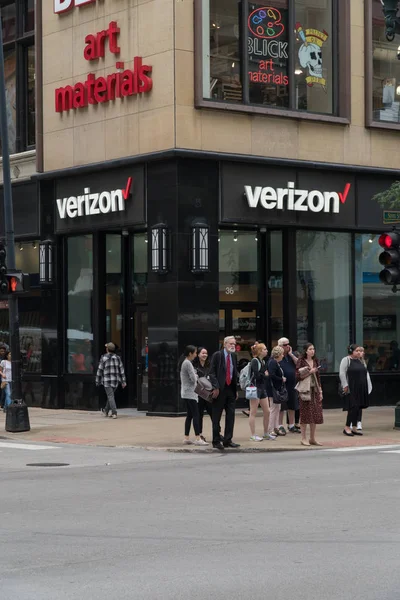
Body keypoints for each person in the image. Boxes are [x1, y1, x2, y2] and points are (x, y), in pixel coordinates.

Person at [209, 336, 240, 450]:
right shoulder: (218, 355)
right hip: (220, 389)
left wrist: (235, 390)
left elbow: (234, 372)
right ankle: (216, 440)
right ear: (225, 344)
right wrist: (215, 387)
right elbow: (212, 372)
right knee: (216, 416)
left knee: (231, 415)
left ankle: (228, 439)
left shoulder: (234, 356)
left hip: (230, 389)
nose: (233, 346)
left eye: (234, 344)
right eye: (231, 343)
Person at [340, 344, 372, 437]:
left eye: (360, 351)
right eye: (356, 351)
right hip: (352, 387)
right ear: (351, 351)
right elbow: (342, 373)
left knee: (358, 407)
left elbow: (366, 373)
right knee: (352, 407)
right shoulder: (346, 360)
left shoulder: (361, 361)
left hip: (361, 387)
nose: (359, 352)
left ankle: (354, 427)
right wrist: (345, 385)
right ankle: (347, 427)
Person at [295, 343, 324, 447]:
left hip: (314, 389)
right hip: (305, 390)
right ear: (306, 351)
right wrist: (309, 372)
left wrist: (320, 391)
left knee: (315, 414)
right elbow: (297, 376)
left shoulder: (315, 361)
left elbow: (318, 376)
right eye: (310, 349)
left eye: (313, 349)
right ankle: (303, 438)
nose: (312, 351)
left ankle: (312, 438)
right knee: (305, 415)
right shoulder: (301, 361)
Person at [180, 345, 208, 446]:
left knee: (190, 415)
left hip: (186, 392)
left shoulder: (186, 362)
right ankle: (197, 437)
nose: (196, 355)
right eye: (195, 353)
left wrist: (195, 375)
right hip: (190, 393)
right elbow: (193, 378)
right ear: (190, 353)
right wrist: (196, 375)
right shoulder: (188, 363)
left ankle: (186, 437)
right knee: (196, 415)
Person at [248, 342, 276, 441]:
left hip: (262, 388)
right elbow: (257, 375)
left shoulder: (263, 362)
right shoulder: (255, 361)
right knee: (253, 412)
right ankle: (253, 434)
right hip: (254, 388)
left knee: (267, 411)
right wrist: (265, 375)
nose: (266, 351)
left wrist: (264, 375)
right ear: (260, 351)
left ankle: (266, 433)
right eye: (264, 349)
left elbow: (262, 375)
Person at [96, 342, 126, 419]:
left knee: (110, 396)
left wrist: (97, 380)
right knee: (111, 396)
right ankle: (106, 411)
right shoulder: (118, 358)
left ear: (107, 349)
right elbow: (121, 370)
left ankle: (114, 412)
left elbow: (100, 370)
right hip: (116, 381)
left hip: (107, 381)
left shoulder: (103, 358)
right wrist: (123, 381)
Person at [278, 337, 300, 434]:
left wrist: (291, 354)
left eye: (288, 344)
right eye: (285, 345)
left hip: (292, 383)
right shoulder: (277, 355)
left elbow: (299, 364)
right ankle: (279, 425)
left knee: (292, 404)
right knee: (282, 406)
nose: (287, 346)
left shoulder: (292, 355)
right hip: (282, 384)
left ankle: (291, 425)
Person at [192, 347, 212, 442]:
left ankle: (217, 433)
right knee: (199, 414)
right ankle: (199, 434)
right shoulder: (194, 365)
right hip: (199, 393)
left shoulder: (210, 365)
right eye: (203, 353)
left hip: (208, 392)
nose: (205, 355)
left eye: (206, 353)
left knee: (213, 414)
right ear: (198, 354)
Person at [268, 346, 287, 436]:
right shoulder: (273, 362)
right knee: (273, 409)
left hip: (277, 389)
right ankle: (271, 429)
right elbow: (271, 375)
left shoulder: (275, 362)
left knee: (277, 408)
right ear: (278, 355)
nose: (283, 356)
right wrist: (281, 379)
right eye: (282, 354)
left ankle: (275, 427)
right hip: (274, 389)